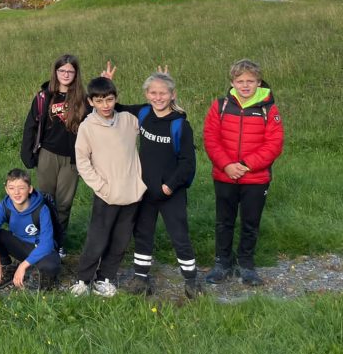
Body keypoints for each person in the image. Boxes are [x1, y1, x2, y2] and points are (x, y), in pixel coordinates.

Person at [117, 72, 201, 298]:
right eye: (153, 92)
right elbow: (115, 106)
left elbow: (187, 164)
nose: (158, 97)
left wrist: (170, 186)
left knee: (179, 235)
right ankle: (141, 278)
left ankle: (191, 281)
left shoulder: (180, 125)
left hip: (170, 193)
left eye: (163, 93)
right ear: (146, 94)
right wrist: (108, 83)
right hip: (145, 190)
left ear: (173, 95)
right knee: (143, 234)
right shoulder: (143, 112)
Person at [203, 59, 284, 287]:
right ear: (232, 82)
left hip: (255, 178)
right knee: (224, 221)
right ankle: (222, 263)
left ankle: (246, 265)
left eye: (250, 81)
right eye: (240, 81)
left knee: (250, 222)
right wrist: (227, 165)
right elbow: (211, 138)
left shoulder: (269, 109)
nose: (245, 85)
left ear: (259, 82)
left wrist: (246, 165)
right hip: (225, 174)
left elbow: (274, 144)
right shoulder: (220, 105)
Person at [69, 77, 146, 297]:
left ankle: (105, 278)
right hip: (106, 194)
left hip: (131, 192)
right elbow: (82, 161)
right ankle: (83, 279)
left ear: (116, 99)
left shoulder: (128, 120)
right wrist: (101, 187)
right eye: (100, 101)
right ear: (91, 101)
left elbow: (155, 119)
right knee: (97, 240)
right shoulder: (87, 127)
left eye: (110, 100)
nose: (106, 106)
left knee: (120, 241)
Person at [19, 55, 87, 256]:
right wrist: (27, 153)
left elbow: (103, 112)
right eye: (62, 71)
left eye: (70, 71)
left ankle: (58, 241)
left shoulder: (83, 99)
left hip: (72, 158)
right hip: (48, 154)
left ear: (76, 74)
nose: (66, 75)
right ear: (56, 72)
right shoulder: (44, 97)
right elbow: (30, 126)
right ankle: (41, 240)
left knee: (64, 203)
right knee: (45, 200)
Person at [0, 169, 61, 291]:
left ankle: (37, 273)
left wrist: (23, 266)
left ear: (30, 189)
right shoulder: (5, 206)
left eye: (21, 188)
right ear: (6, 190)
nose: (16, 193)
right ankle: (6, 267)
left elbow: (47, 244)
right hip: (21, 246)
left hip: (39, 248)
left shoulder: (41, 209)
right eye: (12, 188)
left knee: (51, 266)